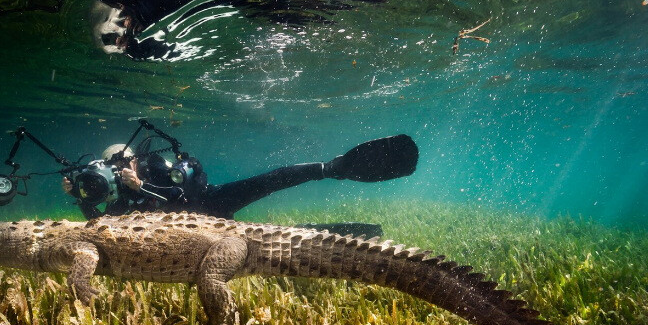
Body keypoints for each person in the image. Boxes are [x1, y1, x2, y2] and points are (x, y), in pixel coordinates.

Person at [63, 135, 419, 226]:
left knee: (271, 179)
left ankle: (332, 168)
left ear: (134, 157)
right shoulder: (116, 194)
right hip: (195, 235)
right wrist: (82, 198)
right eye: (112, 166)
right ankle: (315, 231)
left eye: (122, 161)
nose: (119, 169)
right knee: (264, 242)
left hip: (210, 203)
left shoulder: (156, 166)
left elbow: (184, 200)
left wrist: (144, 186)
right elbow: (100, 228)